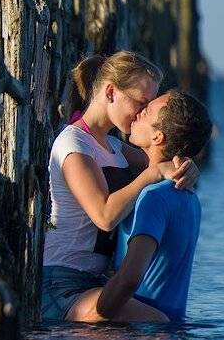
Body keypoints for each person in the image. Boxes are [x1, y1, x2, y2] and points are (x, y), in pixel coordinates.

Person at [40, 52, 197, 322]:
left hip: (96, 281)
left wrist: (189, 168)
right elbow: (104, 216)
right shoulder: (73, 146)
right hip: (61, 284)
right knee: (158, 322)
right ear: (111, 92)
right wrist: (151, 174)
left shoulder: (114, 147)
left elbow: (163, 157)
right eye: (140, 102)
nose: (142, 113)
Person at [72, 89, 214, 324]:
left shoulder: (152, 198)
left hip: (139, 337)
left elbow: (129, 279)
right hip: (169, 333)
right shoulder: (189, 197)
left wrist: (94, 316)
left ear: (158, 137)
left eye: (145, 112)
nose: (136, 114)